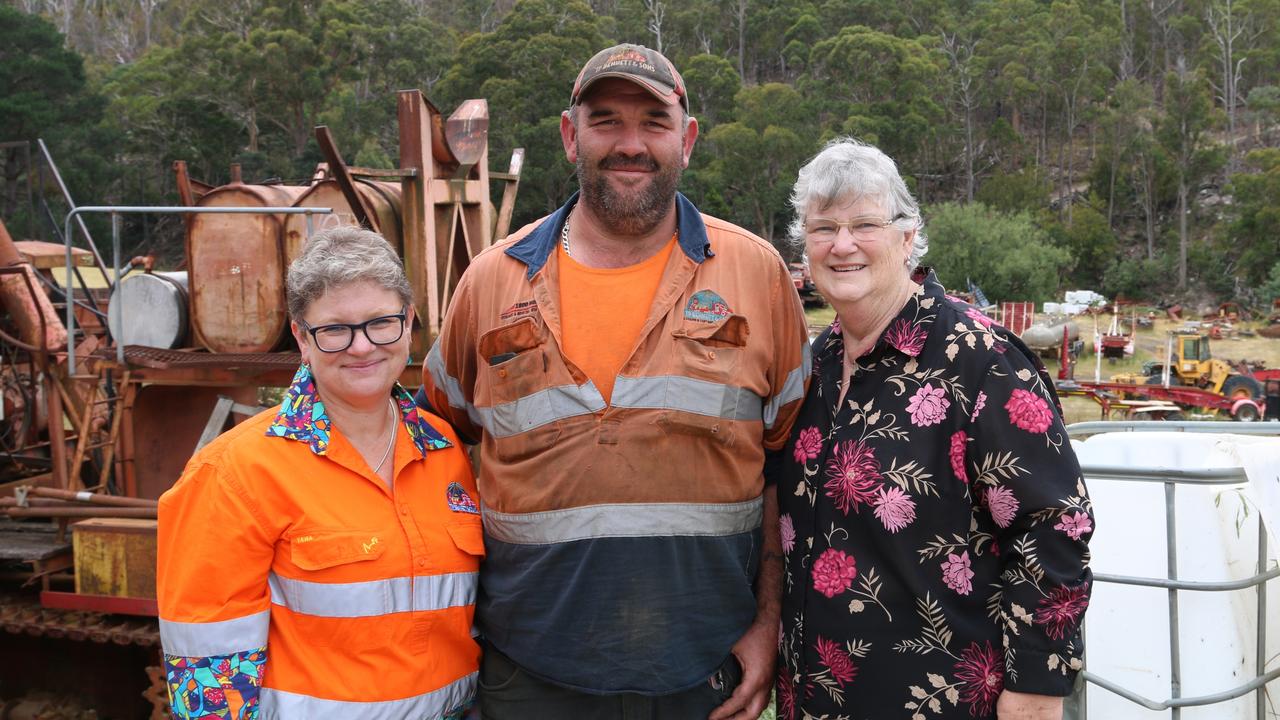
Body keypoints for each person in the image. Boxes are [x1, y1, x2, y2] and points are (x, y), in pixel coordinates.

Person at [418, 43, 810, 720]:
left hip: (706, 671)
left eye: (653, 123)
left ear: (686, 139)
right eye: (606, 121)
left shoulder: (757, 275)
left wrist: (769, 620)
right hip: (530, 674)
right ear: (571, 136)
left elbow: (787, 468)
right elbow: (436, 446)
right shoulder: (491, 282)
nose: (631, 144)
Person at [774, 139, 1093, 720]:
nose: (842, 245)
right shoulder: (813, 366)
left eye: (864, 224)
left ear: (906, 236)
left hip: (941, 700)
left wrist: (1037, 691)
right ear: (805, 247)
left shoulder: (981, 359)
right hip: (815, 700)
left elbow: (1053, 527)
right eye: (823, 228)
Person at [157, 227, 483, 719]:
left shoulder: (445, 453)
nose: (361, 347)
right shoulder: (234, 473)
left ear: (409, 322)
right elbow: (209, 675)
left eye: (381, 322)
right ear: (301, 337)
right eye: (334, 329)